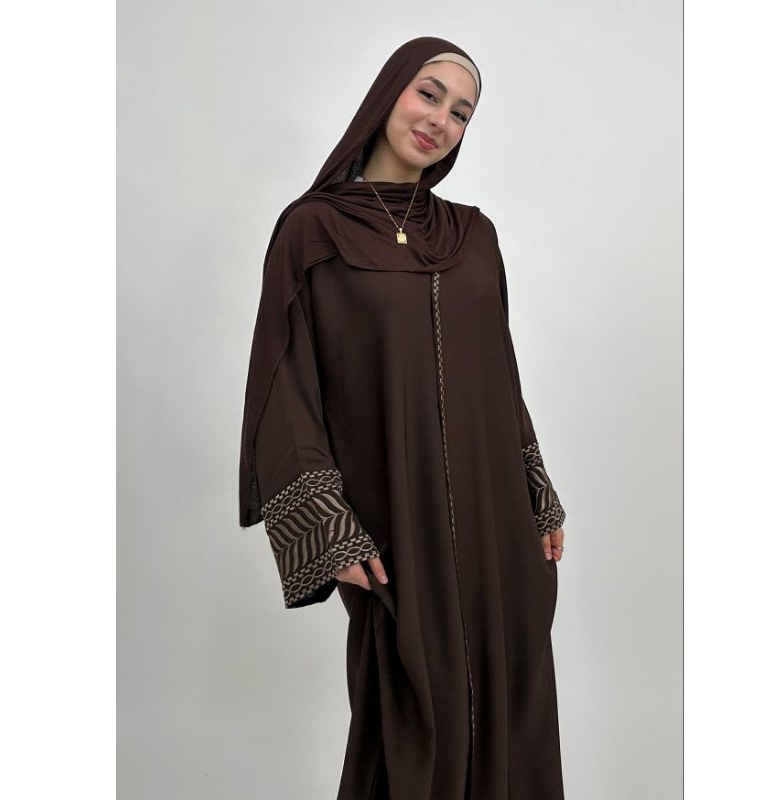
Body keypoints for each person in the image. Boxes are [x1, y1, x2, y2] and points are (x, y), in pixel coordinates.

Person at [238, 35, 567, 800]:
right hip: (394, 525)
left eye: (462, 112)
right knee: (410, 711)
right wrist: (327, 526)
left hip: (498, 528)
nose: (440, 119)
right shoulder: (312, 229)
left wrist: (539, 492)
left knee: (509, 703)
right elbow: (285, 386)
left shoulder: (474, 235)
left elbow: (501, 374)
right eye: (428, 93)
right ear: (389, 92)